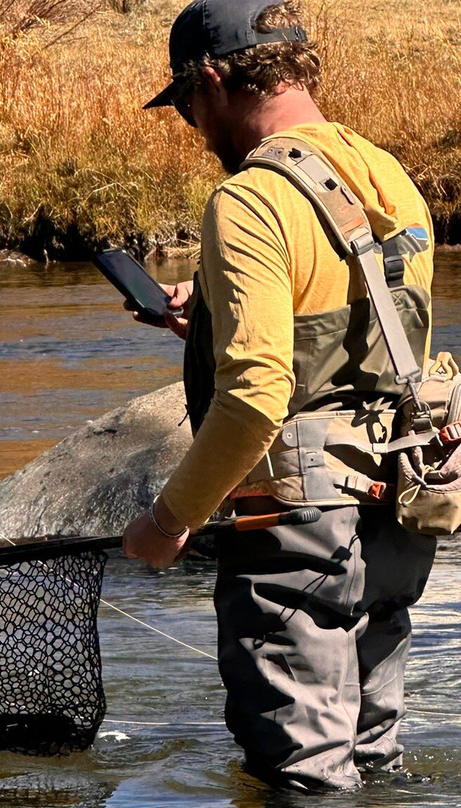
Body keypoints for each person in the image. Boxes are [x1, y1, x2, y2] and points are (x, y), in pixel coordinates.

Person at [122, 0, 437, 791]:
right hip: (397, 519)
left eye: (189, 105)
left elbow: (258, 396)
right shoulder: (387, 171)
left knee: (305, 779)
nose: (194, 127)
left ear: (217, 80)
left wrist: (169, 520)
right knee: (373, 763)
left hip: (299, 531)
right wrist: (217, 314)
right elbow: (376, 334)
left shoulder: (251, 200)